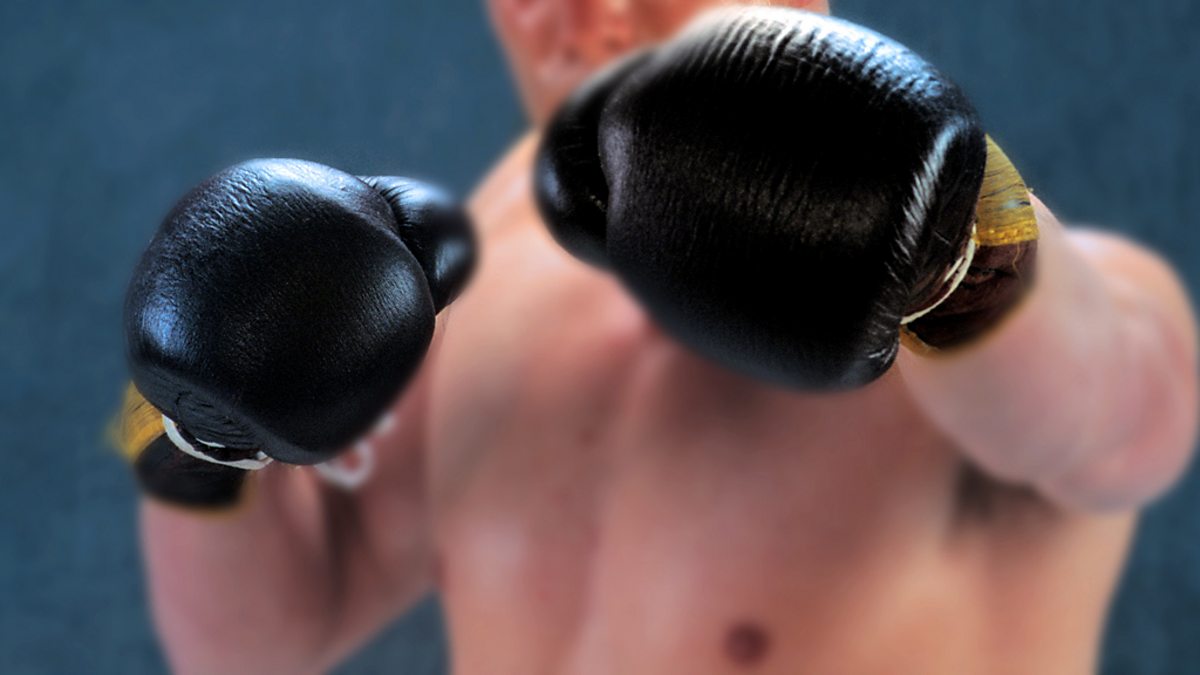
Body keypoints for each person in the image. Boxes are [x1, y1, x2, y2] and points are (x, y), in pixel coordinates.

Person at [140, 1, 1199, 673]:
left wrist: (942, 248)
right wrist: (190, 420)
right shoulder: (465, 270)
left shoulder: (1012, 264)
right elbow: (260, 646)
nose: (574, 15)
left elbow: (1126, 432)